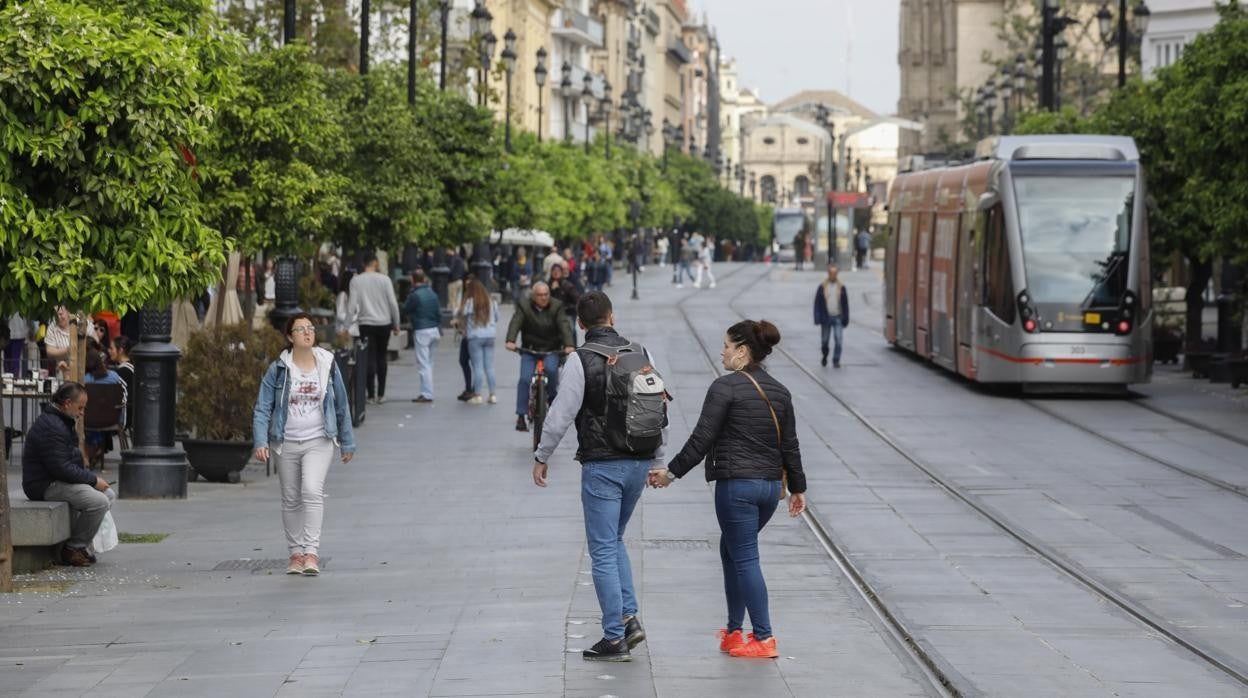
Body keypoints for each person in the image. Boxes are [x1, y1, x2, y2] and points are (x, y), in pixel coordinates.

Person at [649, 319, 807, 659]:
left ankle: (763, 637)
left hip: (737, 488)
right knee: (731, 550)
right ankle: (735, 631)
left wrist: (670, 474)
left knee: (745, 556)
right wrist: (797, 488)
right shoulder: (780, 391)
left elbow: (702, 439)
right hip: (768, 492)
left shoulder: (725, 387)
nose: (721, 351)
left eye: (726, 345)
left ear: (742, 351)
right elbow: (790, 445)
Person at [532, 291, 668, 662]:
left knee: (603, 548)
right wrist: (658, 459)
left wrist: (542, 455)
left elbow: (561, 413)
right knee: (614, 539)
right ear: (612, 316)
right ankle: (628, 618)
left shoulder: (579, 360)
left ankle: (614, 636)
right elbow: (656, 406)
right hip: (639, 462)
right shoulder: (641, 353)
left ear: (580, 324)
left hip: (602, 466)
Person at [252, 313, 356, 576]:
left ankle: (311, 553)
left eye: (311, 328)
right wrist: (261, 440)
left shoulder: (327, 363)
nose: (308, 333)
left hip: (319, 439)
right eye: (301, 329)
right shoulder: (279, 368)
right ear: (290, 337)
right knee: (290, 498)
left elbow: (341, 403)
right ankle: (295, 554)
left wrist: (347, 441)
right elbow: (263, 406)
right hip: (285, 442)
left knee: (311, 490)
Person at [22, 382, 115, 567]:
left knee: (108, 494)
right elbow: (61, 468)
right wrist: (93, 480)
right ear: (66, 404)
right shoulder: (52, 427)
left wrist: (88, 479)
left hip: (57, 479)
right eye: (80, 407)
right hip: (44, 484)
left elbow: (66, 463)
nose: (82, 412)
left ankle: (81, 546)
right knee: (98, 501)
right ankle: (73, 548)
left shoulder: (61, 420)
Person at [505, 282, 574, 432]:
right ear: (533, 296)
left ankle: (551, 399)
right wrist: (510, 340)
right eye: (540, 295)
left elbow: (564, 325)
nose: (543, 298)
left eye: (546, 295)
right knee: (524, 379)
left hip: (551, 349)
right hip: (530, 350)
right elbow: (516, 322)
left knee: (551, 370)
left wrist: (569, 344)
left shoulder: (557, 306)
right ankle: (521, 416)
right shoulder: (524, 306)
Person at [348, 253, 401, 404]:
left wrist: (346, 326)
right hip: (384, 323)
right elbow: (393, 303)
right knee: (381, 357)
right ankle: (381, 393)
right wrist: (396, 324)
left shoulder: (356, 281)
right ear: (376, 263)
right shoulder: (385, 280)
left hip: (366, 323)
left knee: (368, 357)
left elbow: (351, 306)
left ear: (364, 264)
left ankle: (370, 394)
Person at [459, 278, 499, 404]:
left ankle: (477, 394)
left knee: (478, 367)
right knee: (489, 367)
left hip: (475, 336)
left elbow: (461, 314)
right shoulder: (491, 302)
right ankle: (493, 394)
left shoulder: (470, 302)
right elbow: (497, 318)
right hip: (490, 335)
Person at [403, 270, 441, 403]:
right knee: (430, 363)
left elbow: (406, 309)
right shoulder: (432, 294)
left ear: (413, 280)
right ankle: (427, 391)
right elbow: (438, 312)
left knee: (424, 364)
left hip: (421, 330)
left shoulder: (414, 295)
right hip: (434, 329)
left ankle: (427, 393)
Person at [813, 264, 850, 368]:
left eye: (835, 273)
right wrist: (817, 318)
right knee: (824, 341)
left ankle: (836, 360)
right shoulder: (822, 287)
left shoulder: (841, 287)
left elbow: (846, 304)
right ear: (828, 273)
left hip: (838, 317)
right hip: (826, 318)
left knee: (838, 340)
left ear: (837, 274)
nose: (833, 275)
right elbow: (817, 304)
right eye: (831, 273)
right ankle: (825, 355)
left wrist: (846, 318)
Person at [548, 264, 582, 344]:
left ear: (561, 273)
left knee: (571, 329)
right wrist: (552, 290)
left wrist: (568, 307)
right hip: (553, 313)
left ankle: (573, 347)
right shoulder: (548, 285)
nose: (556, 273)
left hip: (568, 313)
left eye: (558, 271)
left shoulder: (567, 285)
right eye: (554, 271)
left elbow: (578, 299)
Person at [109, 336, 136, 431]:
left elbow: (120, 397)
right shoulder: (133, 366)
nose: (109, 351)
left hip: (125, 417)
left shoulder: (123, 371)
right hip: (134, 414)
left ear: (120, 350)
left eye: (112, 348)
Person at [447, 247, 467, 312]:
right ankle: (457, 314)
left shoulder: (453, 258)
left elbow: (450, 269)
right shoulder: (460, 258)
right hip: (460, 280)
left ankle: (453, 316)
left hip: (453, 281)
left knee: (452, 300)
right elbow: (464, 270)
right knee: (458, 300)